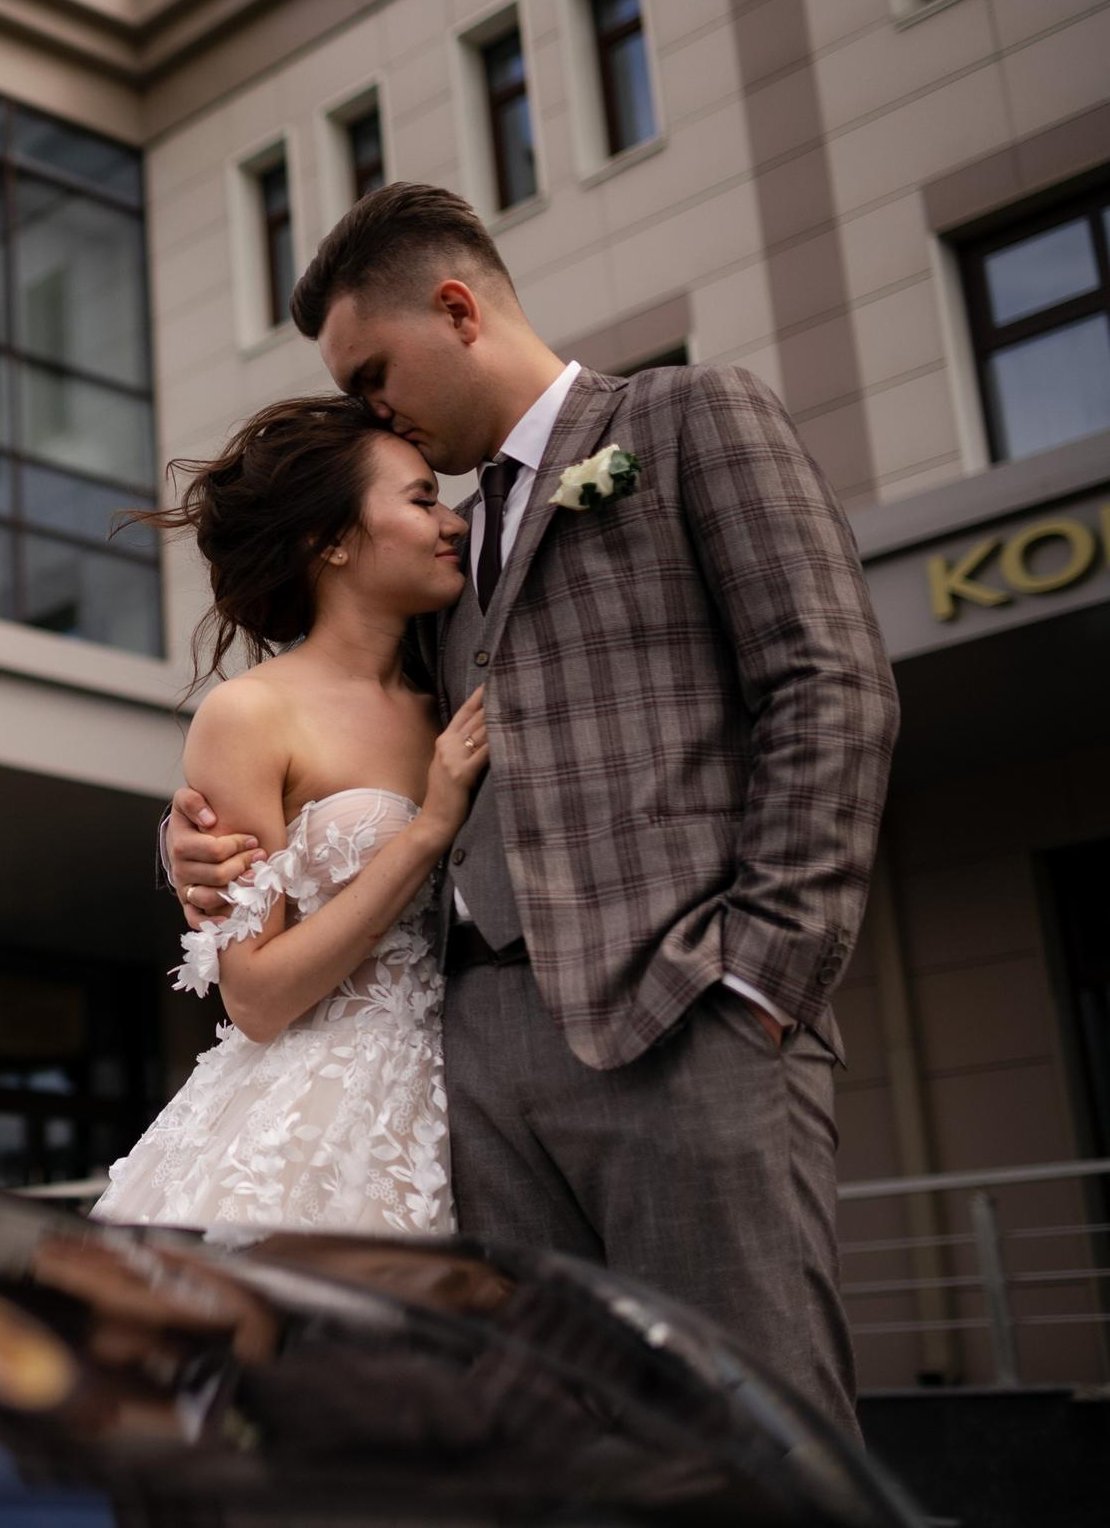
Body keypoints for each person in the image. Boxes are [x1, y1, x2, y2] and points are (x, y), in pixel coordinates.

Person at [159, 184, 899, 1432]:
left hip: (686, 1015)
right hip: (472, 1065)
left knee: (754, 1423)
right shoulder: (437, 559)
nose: (369, 410)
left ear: (457, 308)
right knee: (560, 1449)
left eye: (373, 373)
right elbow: (347, 741)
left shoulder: (685, 420)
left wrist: (762, 977)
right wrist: (192, 841)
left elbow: (828, 685)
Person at [94, 398, 487, 1237]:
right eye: (422, 500)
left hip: (481, 1102)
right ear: (331, 539)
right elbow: (257, 996)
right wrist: (427, 829)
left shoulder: (454, 689)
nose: (453, 522)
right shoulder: (250, 714)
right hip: (320, 1122)